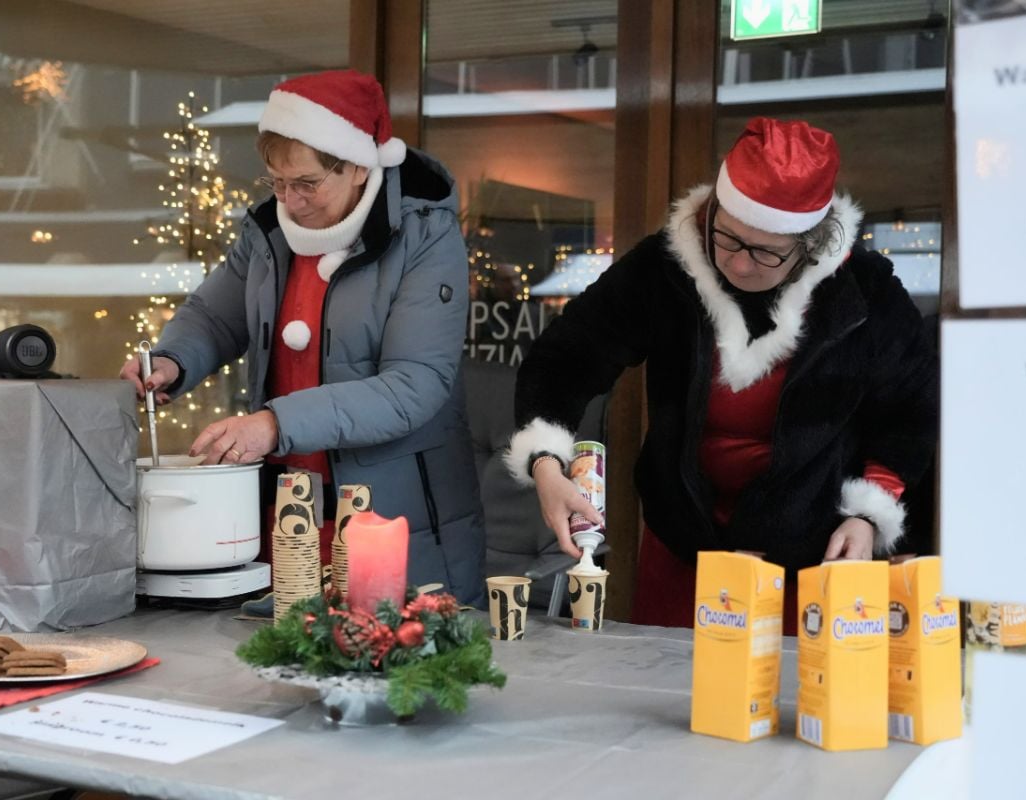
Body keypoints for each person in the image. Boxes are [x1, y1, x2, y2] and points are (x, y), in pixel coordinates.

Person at [504, 117, 937, 630]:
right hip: (684, 544)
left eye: (766, 251)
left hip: (814, 553)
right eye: (727, 238)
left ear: (810, 244)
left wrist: (868, 515)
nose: (740, 264)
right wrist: (546, 463)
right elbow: (565, 358)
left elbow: (911, 410)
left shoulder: (864, 292)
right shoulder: (664, 267)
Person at [120, 70, 485, 605]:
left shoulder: (425, 236)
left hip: (392, 515)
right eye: (277, 182)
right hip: (288, 509)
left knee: (385, 647)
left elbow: (414, 386)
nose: (291, 201)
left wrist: (275, 424)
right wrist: (172, 359)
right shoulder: (268, 231)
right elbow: (215, 316)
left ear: (358, 165)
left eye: (308, 183)